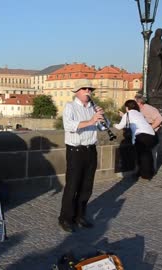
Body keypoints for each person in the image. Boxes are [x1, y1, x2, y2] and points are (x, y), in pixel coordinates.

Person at [59, 79, 105, 233]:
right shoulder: (70, 107)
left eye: (90, 89)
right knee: (72, 186)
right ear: (77, 91)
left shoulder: (93, 108)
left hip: (91, 149)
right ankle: (65, 218)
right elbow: (69, 126)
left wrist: (101, 117)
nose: (88, 91)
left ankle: (80, 215)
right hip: (75, 151)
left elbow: (104, 127)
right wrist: (91, 120)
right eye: (84, 88)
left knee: (87, 186)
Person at [114, 100, 158, 180]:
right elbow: (135, 120)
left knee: (142, 156)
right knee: (147, 154)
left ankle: (145, 174)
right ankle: (148, 173)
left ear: (127, 107)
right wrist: (124, 116)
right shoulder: (139, 113)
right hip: (152, 135)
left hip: (141, 136)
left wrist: (113, 124)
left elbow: (119, 126)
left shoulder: (128, 114)